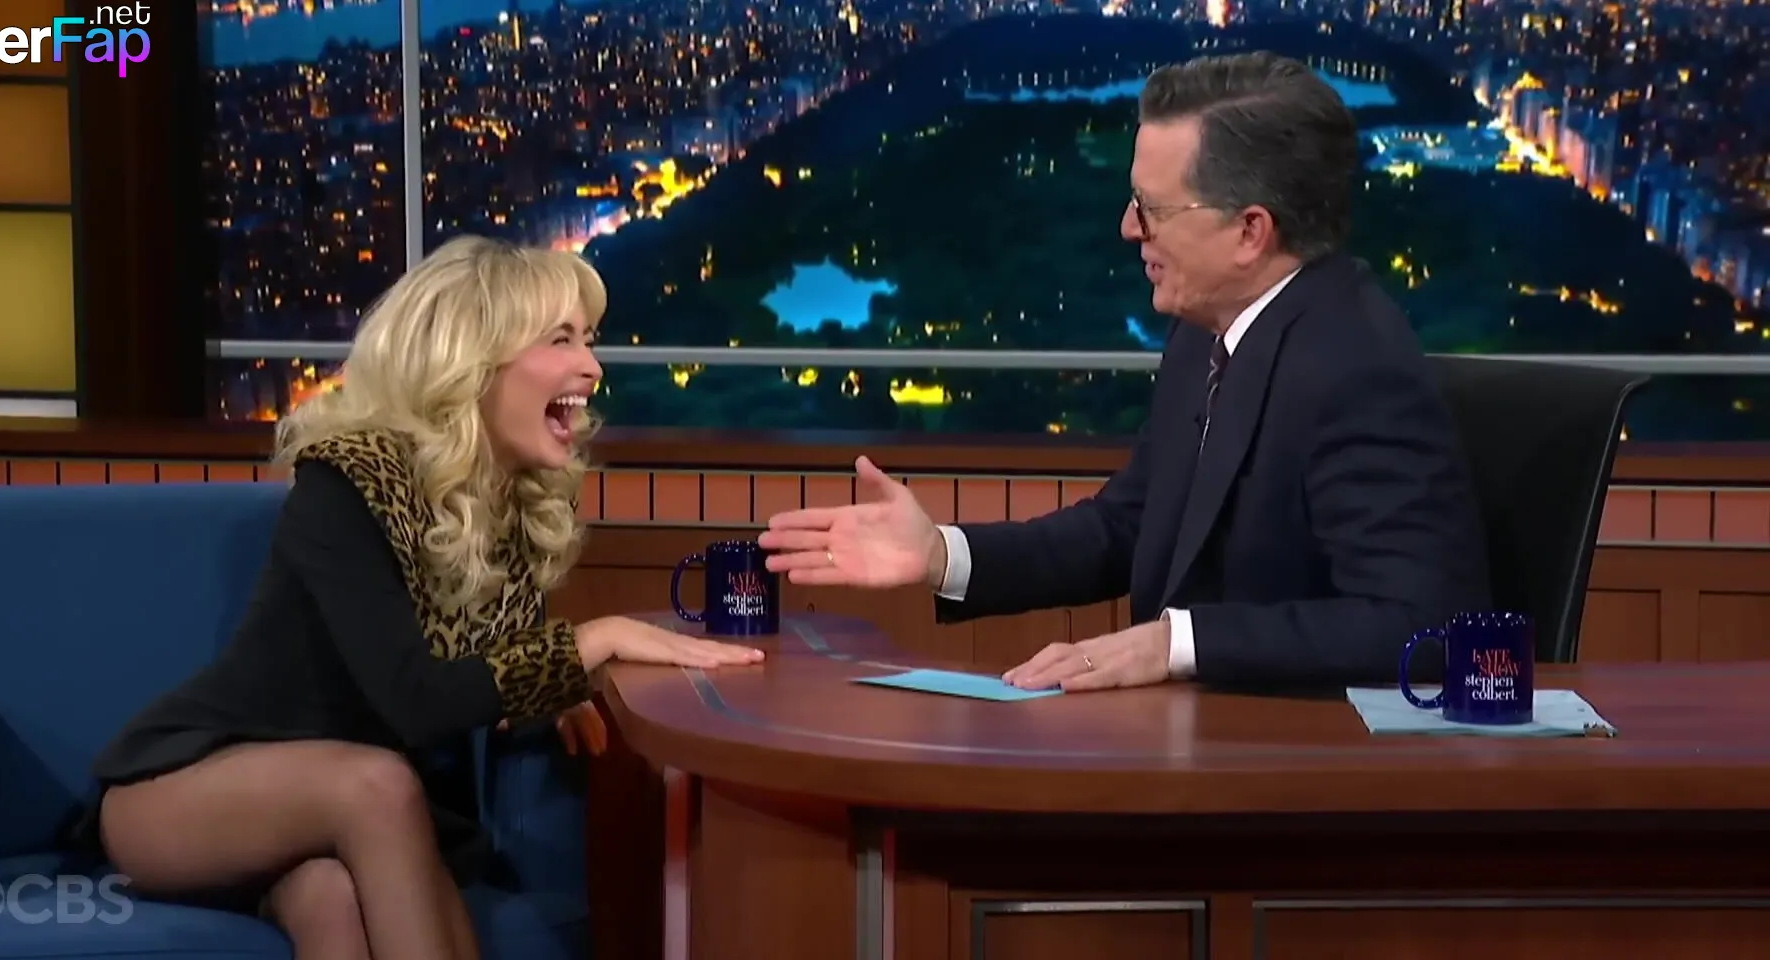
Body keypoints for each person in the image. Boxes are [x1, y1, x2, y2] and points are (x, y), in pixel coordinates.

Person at [78, 236, 764, 960]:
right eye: (561, 339)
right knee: (376, 785)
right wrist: (589, 642)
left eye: (588, 340)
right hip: (184, 794)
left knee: (333, 901)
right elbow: (417, 699)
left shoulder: (510, 503)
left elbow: (490, 673)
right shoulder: (346, 481)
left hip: (340, 823)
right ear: (470, 362)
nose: (592, 367)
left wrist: (550, 686)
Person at [760, 51, 1489, 692]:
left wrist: (1177, 644)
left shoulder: (1356, 366)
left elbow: (1421, 626)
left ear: (1250, 231)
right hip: (1183, 752)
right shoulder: (1206, 334)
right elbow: (1129, 527)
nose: (1128, 227)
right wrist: (941, 554)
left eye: (1152, 208)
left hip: (1292, 778)